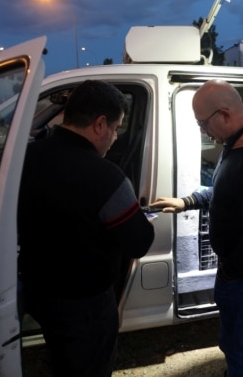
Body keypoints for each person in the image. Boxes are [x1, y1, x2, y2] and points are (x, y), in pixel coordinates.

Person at [150, 79, 243, 377]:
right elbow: (227, 193)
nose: (202, 130)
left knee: (236, 342)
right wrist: (186, 201)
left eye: (202, 122)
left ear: (224, 114)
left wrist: (230, 273)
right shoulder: (240, 143)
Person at [18, 80, 155, 377]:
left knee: (61, 357)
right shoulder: (107, 177)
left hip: (39, 291)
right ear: (100, 124)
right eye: (116, 128)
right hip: (84, 303)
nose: (115, 137)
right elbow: (138, 243)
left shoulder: (26, 158)